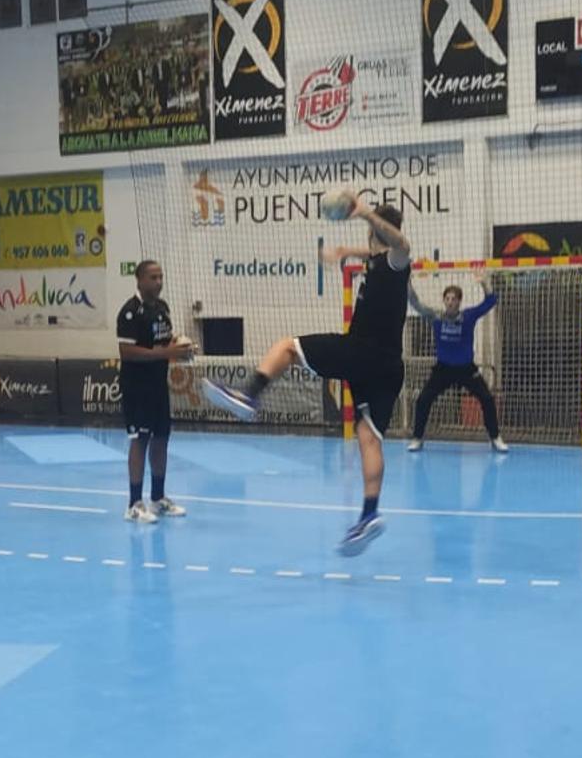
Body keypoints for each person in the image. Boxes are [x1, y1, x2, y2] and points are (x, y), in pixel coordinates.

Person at [202, 195, 411, 555]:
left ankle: (249, 394)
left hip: (361, 351)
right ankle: (370, 514)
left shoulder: (396, 259)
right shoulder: (379, 261)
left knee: (287, 347)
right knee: (368, 437)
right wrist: (346, 250)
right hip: (389, 366)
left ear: (378, 229)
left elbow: (400, 243)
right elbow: (374, 249)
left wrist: (364, 212)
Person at [116, 259, 193, 524]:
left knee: (161, 439)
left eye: (161, 277)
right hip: (137, 388)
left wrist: (179, 347)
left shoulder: (162, 308)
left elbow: (163, 343)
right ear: (139, 280)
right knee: (140, 440)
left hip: (159, 386)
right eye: (153, 277)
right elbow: (127, 351)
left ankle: (158, 498)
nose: (158, 282)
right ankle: (134, 504)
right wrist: (166, 352)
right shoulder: (130, 312)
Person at [406, 276, 508, 453]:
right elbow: (415, 303)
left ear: (459, 301)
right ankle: (417, 438)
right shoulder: (436, 317)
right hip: (443, 369)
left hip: (466, 369)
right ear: (444, 301)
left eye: (454, 299)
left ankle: (495, 438)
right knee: (423, 400)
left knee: (486, 399)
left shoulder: (468, 316)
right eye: (447, 298)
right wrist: (407, 281)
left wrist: (485, 283)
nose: (450, 302)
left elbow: (491, 301)